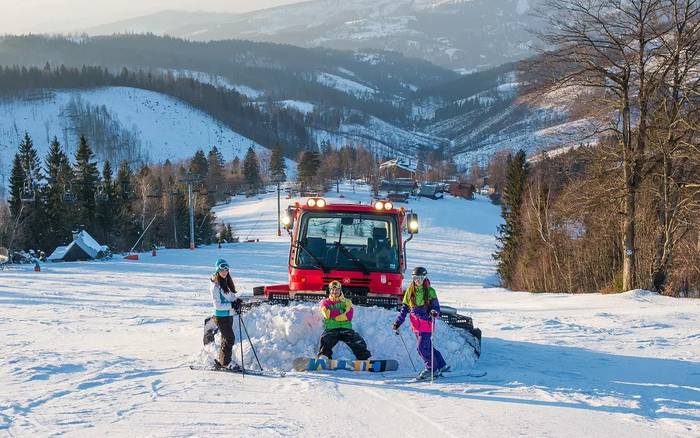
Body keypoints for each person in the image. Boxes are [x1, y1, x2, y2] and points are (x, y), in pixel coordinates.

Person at [392, 266, 448, 379]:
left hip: (426, 323)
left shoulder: (430, 291)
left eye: (420, 278)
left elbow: (436, 307)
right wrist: (398, 322)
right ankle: (441, 365)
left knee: (421, 348)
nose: (418, 280)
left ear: (424, 278)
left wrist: (434, 312)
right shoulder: (410, 290)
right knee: (427, 346)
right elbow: (404, 309)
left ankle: (431, 369)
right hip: (416, 324)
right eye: (415, 278)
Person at [318, 280, 371, 361]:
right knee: (325, 339)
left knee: (357, 340)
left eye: (337, 289)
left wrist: (334, 315)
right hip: (331, 329)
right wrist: (342, 311)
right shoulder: (325, 303)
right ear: (330, 290)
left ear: (340, 290)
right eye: (332, 289)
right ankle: (324, 357)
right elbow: (327, 314)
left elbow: (349, 316)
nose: (334, 291)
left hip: (346, 328)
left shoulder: (348, 302)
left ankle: (364, 358)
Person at [209, 258, 243, 370]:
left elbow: (231, 296)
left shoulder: (226, 281)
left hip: (228, 315)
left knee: (226, 339)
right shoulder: (215, 286)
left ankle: (222, 360)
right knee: (230, 339)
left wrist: (236, 302)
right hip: (220, 316)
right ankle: (226, 362)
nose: (225, 272)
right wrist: (231, 305)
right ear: (218, 270)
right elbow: (217, 305)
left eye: (226, 269)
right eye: (222, 270)